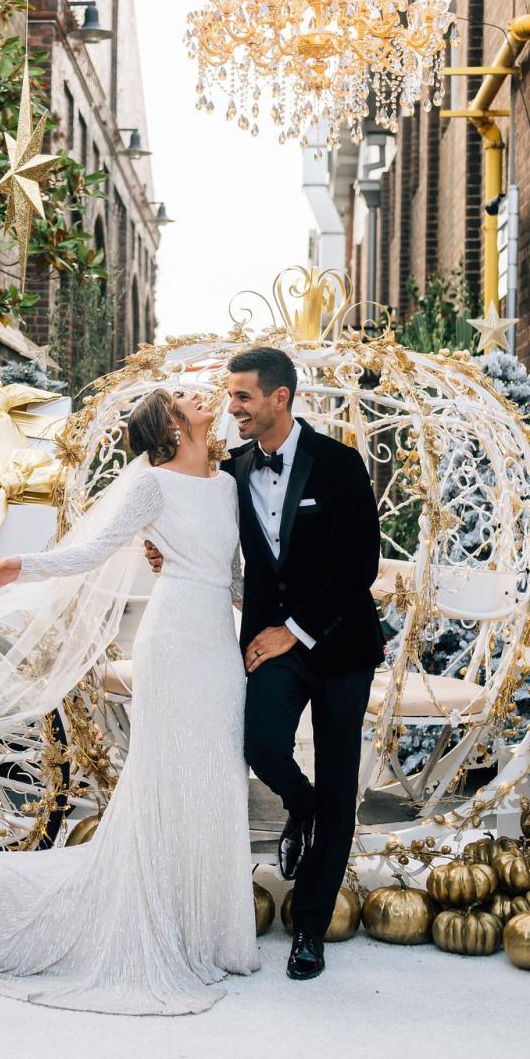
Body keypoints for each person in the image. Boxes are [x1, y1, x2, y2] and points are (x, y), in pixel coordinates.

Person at [0, 386, 260, 1015]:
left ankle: (209, 929)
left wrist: (273, 622)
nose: (201, 396)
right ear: (173, 425)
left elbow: (234, 576)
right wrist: (22, 564)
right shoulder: (150, 485)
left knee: (215, 776)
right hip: (174, 641)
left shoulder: (228, 485)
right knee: (165, 776)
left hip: (219, 645)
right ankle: (154, 921)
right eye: (185, 397)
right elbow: (92, 551)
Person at [146, 347, 384, 980]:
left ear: (280, 398)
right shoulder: (235, 473)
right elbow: (215, 548)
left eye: (243, 397)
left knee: (340, 785)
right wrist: (163, 554)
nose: (232, 408)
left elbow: (360, 566)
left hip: (337, 647)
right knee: (261, 744)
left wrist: (295, 631)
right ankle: (296, 806)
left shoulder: (339, 464)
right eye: (228, 396)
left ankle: (309, 929)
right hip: (265, 644)